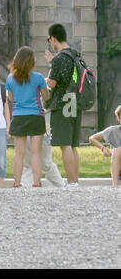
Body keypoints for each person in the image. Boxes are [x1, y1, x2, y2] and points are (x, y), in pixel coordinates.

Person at [45, 23, 83, 187]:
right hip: (75, 102)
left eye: (49, 39)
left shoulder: (59, 58)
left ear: (53, 39)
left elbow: (52, 83)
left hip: (62, 104)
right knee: (73, 145)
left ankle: (72, 182)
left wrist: (44, 78)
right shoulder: (76, 55)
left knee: (64, 144)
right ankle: (75, 181)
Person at [6, 46, 49, 188]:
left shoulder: (10, 78)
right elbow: (46, 96)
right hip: (36, 116)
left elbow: (11, 99)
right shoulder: (38, 78)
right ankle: (36, 182)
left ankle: (17, 182)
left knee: (19, 154)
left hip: (19, 117)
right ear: (32, 61)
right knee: (36, 152)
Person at [86, 104, 121, 187]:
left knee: (117, 150)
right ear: (118, 119)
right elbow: (92, 138)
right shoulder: (113, 130)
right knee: (116, 152)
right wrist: (103, 148)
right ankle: (115, 186)